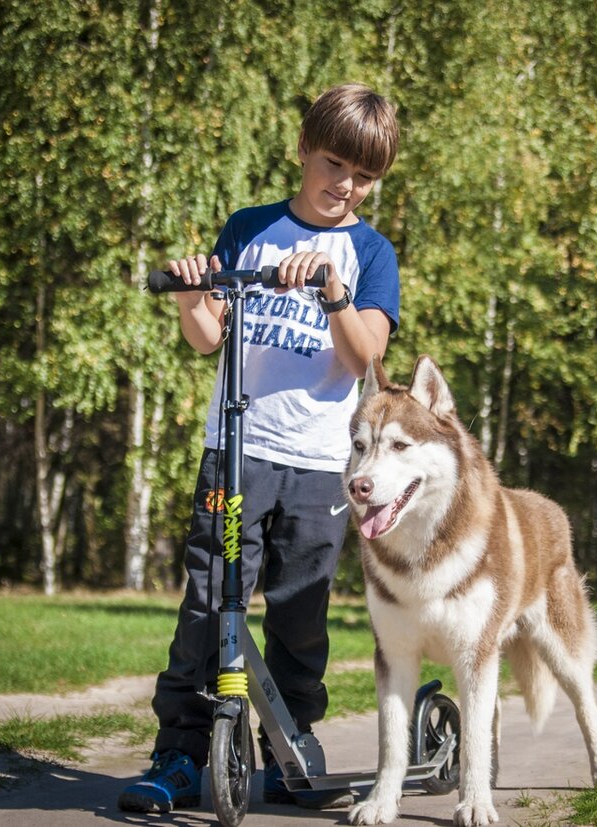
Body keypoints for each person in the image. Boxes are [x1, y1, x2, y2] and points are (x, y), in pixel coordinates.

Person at [118, 83, 400, 814]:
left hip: (318, 464)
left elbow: (366, 355)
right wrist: (192, 295)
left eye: (363, 176)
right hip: (236, 451)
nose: (345, 184)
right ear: (304, 149)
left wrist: (333, 292)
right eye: (334, 164)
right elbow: (208, 335)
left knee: (300, 615)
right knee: (210, 602)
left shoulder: (370, 252)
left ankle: (290, 747)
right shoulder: (250, 228)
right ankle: (180, 754)